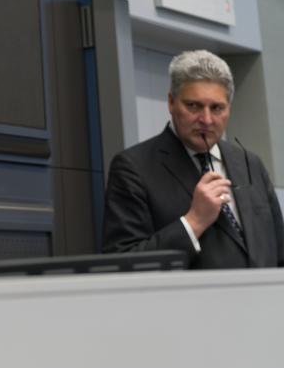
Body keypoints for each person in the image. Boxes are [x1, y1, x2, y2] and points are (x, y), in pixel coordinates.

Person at [102, 49, 284, 269]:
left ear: (229, 108)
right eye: (193, 106)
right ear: (171, 102)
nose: (206, 119)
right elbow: (123, 264)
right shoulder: (133, 168)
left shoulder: (250, 164)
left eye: (216, 108)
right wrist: (194, 221)